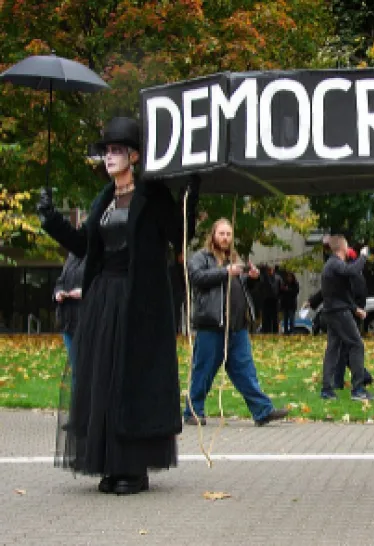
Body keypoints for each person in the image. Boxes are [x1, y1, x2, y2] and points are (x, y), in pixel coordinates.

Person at [37, 116, 195, 495]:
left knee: (132, 381)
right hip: (104, 300)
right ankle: (110, 464)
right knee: (103, 383)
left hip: (139, 301)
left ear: (135, 156)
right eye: (105, 151)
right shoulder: (103, 200)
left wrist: (193, 189)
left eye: (116, 151)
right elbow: (85, 247)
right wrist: (51, 220)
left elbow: (180, 235)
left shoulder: (152, 196)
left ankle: (134, 468)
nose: (108, 157)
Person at [184, 218, 288, 427]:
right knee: (203, 371)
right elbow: (196, 278)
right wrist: (225, 272)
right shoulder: (201, 258)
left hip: (237, 326)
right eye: (221, 234)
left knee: (245, 371)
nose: (225, 238)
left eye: (228, 234)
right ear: (213, 235)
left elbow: (244, 289)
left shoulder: (234, 259)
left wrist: (252, 278)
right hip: (212, 325)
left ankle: (262, 411)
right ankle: (193, 412)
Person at [319, 235, 373, 401]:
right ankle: (358, 389)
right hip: (339, 313)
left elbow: (338, 293)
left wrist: (354, 308)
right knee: (357, 344)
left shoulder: (331, 265)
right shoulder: (336, 263)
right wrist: (363, 256)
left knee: (333, 349)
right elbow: (352, 271)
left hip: (333, 311)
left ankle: (327, 389)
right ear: (342, 247)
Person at [53, 251, 86, 383]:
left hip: (85, 320)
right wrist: (58, 293)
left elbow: (101, 283)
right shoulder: (72, 256)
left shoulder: (97, 253)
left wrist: (85, 292)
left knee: (83, 368)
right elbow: (60, 281)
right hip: (67, 321)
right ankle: (77, 402)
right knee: (75, 368)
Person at [260, 264, 282, 333]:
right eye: (268, 270)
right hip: (266, 300)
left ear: (273, 270)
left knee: (275, 319)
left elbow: (281, 288)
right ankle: (266, 333)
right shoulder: (264, 277)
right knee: (266, 319)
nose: (270, 271)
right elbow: (260, 288)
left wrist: (279, 297)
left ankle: (275, 333)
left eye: (271, 270)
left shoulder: (278, 278)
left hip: (274, 301)